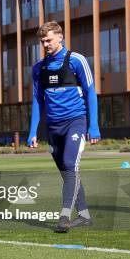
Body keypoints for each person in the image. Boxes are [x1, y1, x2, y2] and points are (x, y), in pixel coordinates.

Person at [27, 21, 100, 233]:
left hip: (75, 121)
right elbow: (36, 101)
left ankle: (64, 216)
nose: (45, 44)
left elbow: (91, 93)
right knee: (68, 172)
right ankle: (84, 215)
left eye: (48, 40)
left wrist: (93, 126)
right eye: (42, 41)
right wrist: (33, 131)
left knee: (70, 165)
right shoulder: (38, 68)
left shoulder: (77, 60)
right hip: (53, 127)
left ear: (60, 37)